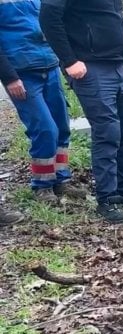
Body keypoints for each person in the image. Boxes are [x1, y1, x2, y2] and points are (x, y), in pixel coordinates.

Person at [40, 0, 123, 224]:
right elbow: (48, 17)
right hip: (89, 67)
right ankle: (106, 199)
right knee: (107, 132)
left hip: (116, 64)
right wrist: (69, 60)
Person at [0, 0, 86, 218]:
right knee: (45, 129)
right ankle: (42, 185)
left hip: (49, 66)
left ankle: (62, 180)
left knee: (62, 126)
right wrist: (9, 78)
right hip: (21, 74)